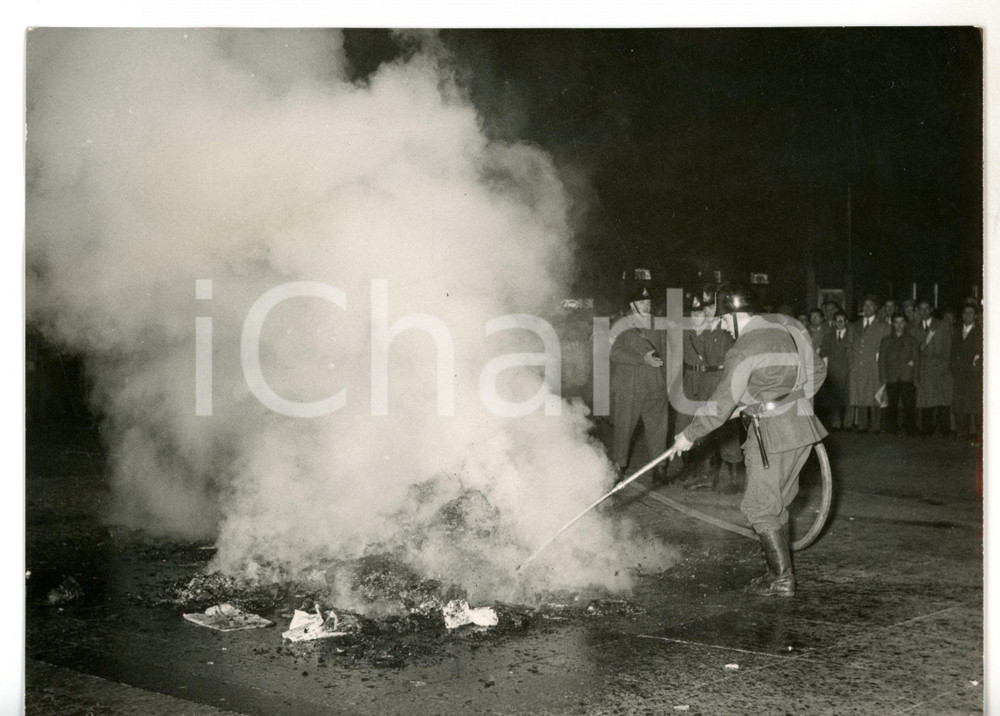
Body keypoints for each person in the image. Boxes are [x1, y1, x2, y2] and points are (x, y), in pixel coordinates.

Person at [667, 285, 827, 598]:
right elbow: (817, 371)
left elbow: (720, 404)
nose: (723, 326)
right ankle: (774, 573)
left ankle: (782, 581)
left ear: (737, 315)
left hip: (771, 436)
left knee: (759, 505)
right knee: (776, 502)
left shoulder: (742, 348)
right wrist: (788, 401)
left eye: (724, 320)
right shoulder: (785, 331)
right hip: (802, 429)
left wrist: (688, 434)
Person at [676, 285, 743, 493]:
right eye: (705, 307)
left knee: (727, 430)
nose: (708, 311)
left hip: (720, 381)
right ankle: (708, 477)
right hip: (705, 382)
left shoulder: (726, 328)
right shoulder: (702, 329)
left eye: (712, 306)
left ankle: (735, 481)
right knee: (705, 428)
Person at [610, 285, 669, 483]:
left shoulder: (658, 324)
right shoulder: (621, 324)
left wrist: (669, 382)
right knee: (624, 429)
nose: (646, 305)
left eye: (648, 302)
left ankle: (659, 469)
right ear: (632, 304)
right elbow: (613, 352)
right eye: (642, 302)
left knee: (658, 430)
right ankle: (619, 467)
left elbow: (667, 353)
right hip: (629, 387)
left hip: (655, 386)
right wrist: (641, 359)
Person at [848, 295, 890, 433]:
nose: (867, 308)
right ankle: (862, 425)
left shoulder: (883, 326)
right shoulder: (855, 325)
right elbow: (850, 346)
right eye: (865, 305)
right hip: (858, 367)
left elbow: (886, 349)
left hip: (874, 366)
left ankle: (876, 425)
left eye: (870, 305)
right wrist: (852, 362)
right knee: (860, 396)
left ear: (876, 308)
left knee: (875, 395)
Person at [913, 300, 953, 436]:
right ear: (918, 310)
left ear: (931, 309)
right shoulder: (915, 328)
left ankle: (944, 430)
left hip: (939, 368)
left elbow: (948, 349)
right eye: (921, 309)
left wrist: (944, 367)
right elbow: (914, 352)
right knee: (926, 401)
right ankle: (927, 429)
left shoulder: (941, 325)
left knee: (942, 400)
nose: (924, 312)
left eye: (926, 308)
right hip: (924, 370)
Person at [878, 313, 920, 435]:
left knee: (909, 404)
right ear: (892, 323)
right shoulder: (886, 340)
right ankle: (891, 428)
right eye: (896, 322)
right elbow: (882, 360)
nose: (899, 325)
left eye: (902, 322)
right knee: (892, 404)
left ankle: (910, 428)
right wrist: (883, 376)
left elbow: (916, 360)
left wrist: (916, 377)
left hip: (907, 376)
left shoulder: (912, 340)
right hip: (891, 377)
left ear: (906, 324)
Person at [950, 303, 982, 443]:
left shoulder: (980, 332)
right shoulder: (956, 330)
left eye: (970, 313)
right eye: (965, 313)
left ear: (975, 316)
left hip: (973, 374)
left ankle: (975, 434)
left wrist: (976, 366)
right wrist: (953, 366)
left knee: (973, 404)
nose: (967, 316)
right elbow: (953, 350)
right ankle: (961, 432)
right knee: (960, 403)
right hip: (959, 373)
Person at [817, 310, 853, 430]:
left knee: (848, 398)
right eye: (837, 320)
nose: (840, 322)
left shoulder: (851, 335)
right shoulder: (828, 336)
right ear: (833, 322)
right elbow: (823, 353)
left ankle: (848, 423)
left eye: (842, 320)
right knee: (834, 398)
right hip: (832, 371)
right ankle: (836, 423)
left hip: (848, 371)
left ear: (846, 322)